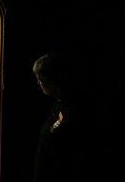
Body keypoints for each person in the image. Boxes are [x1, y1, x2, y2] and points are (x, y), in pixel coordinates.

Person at [31, 51, 92, 182]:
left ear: (52, 82)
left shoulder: (74, 111)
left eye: (40, 79)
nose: (39, 83)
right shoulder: (59, 102)